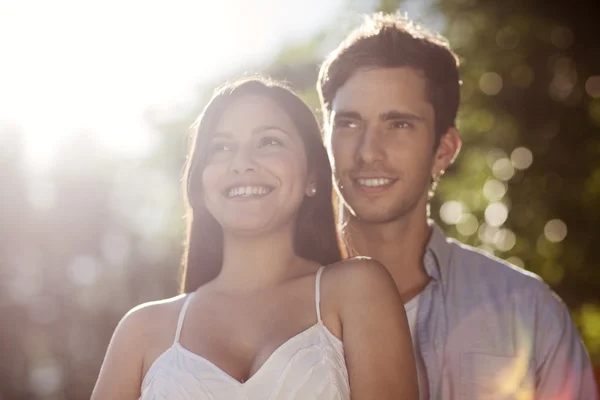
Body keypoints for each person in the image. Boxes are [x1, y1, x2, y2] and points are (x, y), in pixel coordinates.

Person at [317, 12, 598, 400]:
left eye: (399, 124)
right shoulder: (281, 307)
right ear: (324, 137)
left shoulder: (529, 312)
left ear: (443, 150)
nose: (368, 152)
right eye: (349, 123)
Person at [91, 77, 419, 399]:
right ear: (201, 186)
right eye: (221, 147)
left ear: (312, 177)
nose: (242, 163)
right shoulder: (141, 330)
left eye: (269, 142)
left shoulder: (358, 290)